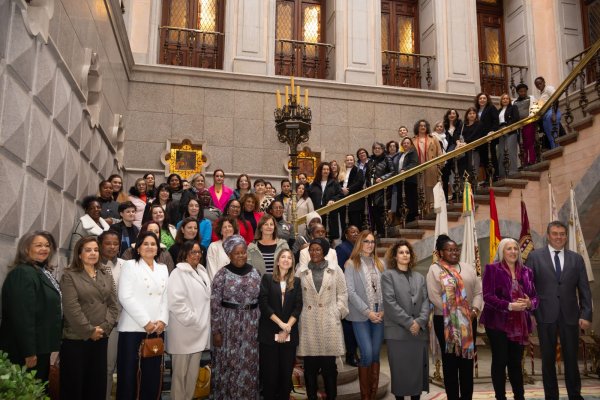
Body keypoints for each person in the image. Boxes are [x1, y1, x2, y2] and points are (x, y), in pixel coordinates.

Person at [527, 221, 593, 400]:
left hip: (571, 316)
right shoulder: (534, 257)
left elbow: (585, 289)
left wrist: (586, 314)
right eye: (555, 233)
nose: (559, 237)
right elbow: (528, 288)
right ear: (548, 236)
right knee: (547, 360)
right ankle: (551, 396)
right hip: (544, 315)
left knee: (571, 358)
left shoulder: (576, 259)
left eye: (562, 234)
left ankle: (575, 395)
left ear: (566, 236)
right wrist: (530, 314)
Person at [60, 236, 118, 400]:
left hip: (101, 337)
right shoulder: (69, 275)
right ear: (79, 254)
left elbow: (113, 305)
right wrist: (89, 331)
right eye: (88, 250)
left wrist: (104, 328)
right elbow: (72, 309)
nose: (93, 253)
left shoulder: (105, 272)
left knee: (96, 386)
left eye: (96, 250)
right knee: (75, 387)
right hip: (77, 339)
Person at [0, 231, 62, 383]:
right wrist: (29, 352)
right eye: (39, 245)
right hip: (26, 351)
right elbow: (22, 317)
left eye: (47, 245)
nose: (44, 249)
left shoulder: (41, 271)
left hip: (40, 348)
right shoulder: (22, 273)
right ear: (26, 248)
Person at [480, 238, 538, 400]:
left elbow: (534, 298)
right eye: (509, 249)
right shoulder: (492, 269)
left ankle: (519, 396)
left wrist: (529, 303)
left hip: (520, 324)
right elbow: (488, 297)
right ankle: (501, 397)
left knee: (515, 362)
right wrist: (509, 306)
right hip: (497, 322)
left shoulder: (527, 271)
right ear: (501, 251)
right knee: (500, 360)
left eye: (515, 248)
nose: (513, 251)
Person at [427, 234, 482, 400]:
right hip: (445, 322)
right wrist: (455, 312)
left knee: (466, 363)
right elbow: (433, 296)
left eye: (456, 250)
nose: (454, 253)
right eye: (449, 250)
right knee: (450, 363)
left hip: (469, 320)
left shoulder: (468, 268)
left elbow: (479, 292)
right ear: (441, 253)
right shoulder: (435, 269)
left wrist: (474, 310)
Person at [117, 231, 169, 400]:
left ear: (157, 248)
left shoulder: (163, 268)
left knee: (153, 376)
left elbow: (165, 297)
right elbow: (125, 296)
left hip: (157, 329)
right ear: (138, 248)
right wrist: (145, 322)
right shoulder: (130, 265)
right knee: (130, 375)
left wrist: (162, 320)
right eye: (145, 244)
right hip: (134, 328)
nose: (149, 247)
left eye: (153, 244)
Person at [296, 237, 349, 400]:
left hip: (329, 322)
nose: (314, 252)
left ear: (325, 251)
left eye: (318, 249)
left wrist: (337, 311)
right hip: (309, 322)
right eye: (311, 249)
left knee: (329, 368)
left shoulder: (335, 270)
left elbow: (343, 293)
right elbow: (295, 296)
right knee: (310, 368)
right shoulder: (301, 270)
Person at [210, 235, 261, 399]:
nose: (241, 255)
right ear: (229, 255)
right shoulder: (221, 275)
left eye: (243, 252)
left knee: (249, 364)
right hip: (228, 325)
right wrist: (216, 331)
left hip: (251, 325)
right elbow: (215, 305)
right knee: (229, 364)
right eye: (236, 253)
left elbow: (261, 300)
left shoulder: (255, 273)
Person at [382, 240, 429, 400]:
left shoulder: (419, 277)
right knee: (400, 373)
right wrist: (410, 323)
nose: (405, 255)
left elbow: (425, 302)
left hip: (418, 334)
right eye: (401, 252)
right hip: (397, 333)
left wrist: (420, 322)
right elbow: (390, 304)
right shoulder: (388, 276)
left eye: (407, 252)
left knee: (416, 373)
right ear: (395, 256)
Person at [167, 241, 211, 400]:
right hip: (183, 331)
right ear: (185, 253)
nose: (197, 255)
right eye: (193, 252)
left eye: (199, 252)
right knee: (180, 376)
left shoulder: (201, 270)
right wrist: (193, 319)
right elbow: (175, 302)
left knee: (192, 375)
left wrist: (200, 322)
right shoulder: (177, 273)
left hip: (198, 330)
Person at [344, 230, 385, 399]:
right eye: (366, 241)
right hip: (361, 314)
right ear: (360, 243)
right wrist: (368, 312)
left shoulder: (380, 263)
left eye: (372, 242)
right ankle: (365, 396)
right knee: (367, 352)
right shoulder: (352, 264)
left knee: (375, 353)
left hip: (380, 313)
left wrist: (383, 310)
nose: (370, 244)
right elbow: (350, 292)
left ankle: (372, 395)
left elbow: (386, 289)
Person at [258, 249, 302, 400]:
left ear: (292, 263)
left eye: (289, 258)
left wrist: (287, 327)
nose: (286, 260)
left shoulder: (297, 282)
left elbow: (298, 307)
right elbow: (264, 305)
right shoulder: (267, 279)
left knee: (285, 376)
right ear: (277, 261)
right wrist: (281, 325)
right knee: (270, 377)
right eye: (283, 257)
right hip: (269, 335)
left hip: (289, 335)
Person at [98, 230, 124, 400]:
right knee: (98, 368)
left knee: (109, 368)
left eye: (115, 243)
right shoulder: (92, 263)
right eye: (108, 243)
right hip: (96, 324)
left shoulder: (125, 265)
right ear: (100, 245)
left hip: (118, 324)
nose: (112, 247)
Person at [335, 225, 360, 367]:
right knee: (349, 326)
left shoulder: (361, 248)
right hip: (347, 291)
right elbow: (340, 271)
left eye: (357, 232)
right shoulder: (342, 248)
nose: (355, 234)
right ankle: (351, 354)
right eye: (352, 232)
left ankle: (355, 352)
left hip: (359, 292)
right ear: (346, 234)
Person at [308, 162, 344, 241]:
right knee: (317, 233)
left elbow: (340, 194)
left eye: (328, 169)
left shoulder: (334, 183)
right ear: (320, 171)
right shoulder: (314, 184)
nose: (326, 171)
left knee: (330, 236)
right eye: (324, 169)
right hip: (317, 212)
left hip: (330, 212)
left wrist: (333, 199)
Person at [414, 119, 443, 213]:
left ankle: (433, 207)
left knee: (431, 188)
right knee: (421, 188)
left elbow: (440, 153)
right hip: (418, 168)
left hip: (431, 167)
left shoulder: (433, 138)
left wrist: (439, 165)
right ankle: (423, 208)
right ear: (417, 128)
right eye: (420, 126)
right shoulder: (412, 140)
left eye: (424, 126)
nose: (422, 127)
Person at [366, 142, 394, 236]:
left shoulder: (387, 158)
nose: (377, 150)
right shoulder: (371, 160)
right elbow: (368, 175)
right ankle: (379, 231)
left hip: (383, 190)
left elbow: (393, 171)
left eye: (379, 148)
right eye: (375, 148)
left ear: (382, 149)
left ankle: (384, 231)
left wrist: (382, 178)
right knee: (374, 211)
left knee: (382, 210)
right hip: (372, 190)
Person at [392, 137, 419, 223]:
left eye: (408, 143)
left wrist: (404, 169)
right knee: (401, 199)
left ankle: (410, 218)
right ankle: (402, 216)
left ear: (411, 144)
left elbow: (413, 164)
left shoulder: (413, 153)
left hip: (410, 180)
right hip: (400, 180)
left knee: (410, 200)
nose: (406, 144)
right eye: (404, 143)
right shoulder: (400, 154)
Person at [475, 92, 500, 183]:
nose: (482, 100)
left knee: (492, 156)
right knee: (484, 158)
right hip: (480, 138)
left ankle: (495, 175)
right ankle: (488, 176)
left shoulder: (491, 108)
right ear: (478, 100)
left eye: (484, 98)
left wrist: (493, 131)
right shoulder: (476, 110)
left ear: (487, 99)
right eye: (480, 98)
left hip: (489, 136)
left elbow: (495, 120)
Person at [206, 216, 239, 281]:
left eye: (230, 226)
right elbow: (211, 270)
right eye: (224, 227)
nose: (227, 229)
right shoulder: (214, 246)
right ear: (221, 231)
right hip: (219, 286)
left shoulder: (239, 247)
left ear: (233, 229)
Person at [512, 83, 537, 167]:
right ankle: (524, 161)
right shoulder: (514, 102)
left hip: (528, 122)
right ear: (518, 92)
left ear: (526, 91)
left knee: (529, 141)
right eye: (520, 91)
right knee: (521, 144)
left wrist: (528, 119)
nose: (522, 93)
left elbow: (535, 110)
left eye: (524, 91)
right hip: (518, 125)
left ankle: (531, 160)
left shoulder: (531, 98)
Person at [534, 76, 561, 149]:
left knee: (554, 133)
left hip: (552, 112)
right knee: (549, 135)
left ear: (544, 82)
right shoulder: (540, 95)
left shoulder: (549, 88)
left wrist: (554, 113)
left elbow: (556, 98)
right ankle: (554, 149)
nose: (539, 85)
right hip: (545, 116)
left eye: (540, 83)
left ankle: (557, 148)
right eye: (537, 85)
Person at [340, 154, 365, 231]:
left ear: (354, 161)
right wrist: (341, 189)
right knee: (344, 222)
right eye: (348, 160)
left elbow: (360, 182)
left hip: (354, 200)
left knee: (355, 221)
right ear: (345, 161)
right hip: (343, 198)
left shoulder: (359, 170)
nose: (349, 161)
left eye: (351, 160)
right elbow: (337, 184)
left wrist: (348, 189)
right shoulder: (341, 171)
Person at [497, 93, 519, 178]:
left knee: (511, 151)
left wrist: (507, 127)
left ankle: (512, 171)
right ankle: (502, 173)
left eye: (507, 98)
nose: (505, 100)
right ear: (501, 101)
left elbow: (516, 118)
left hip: (510, 130)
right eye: (503, 99)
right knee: (501, 152)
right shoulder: (499, 111)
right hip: (500, 131)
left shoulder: (513, 108)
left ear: (509, 100)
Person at [443, 109, 463, 201]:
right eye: (450, 113)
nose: (452, 115)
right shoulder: (445, 125)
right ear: (447, 115)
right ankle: (453, 192)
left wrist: (457, 142)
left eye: (454, 113)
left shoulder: (459, 123)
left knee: (457, 169)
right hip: (448, 148)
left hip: (457, 145)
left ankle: (459, 191)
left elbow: (457, 134)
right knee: (448, 170)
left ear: (456, 115)